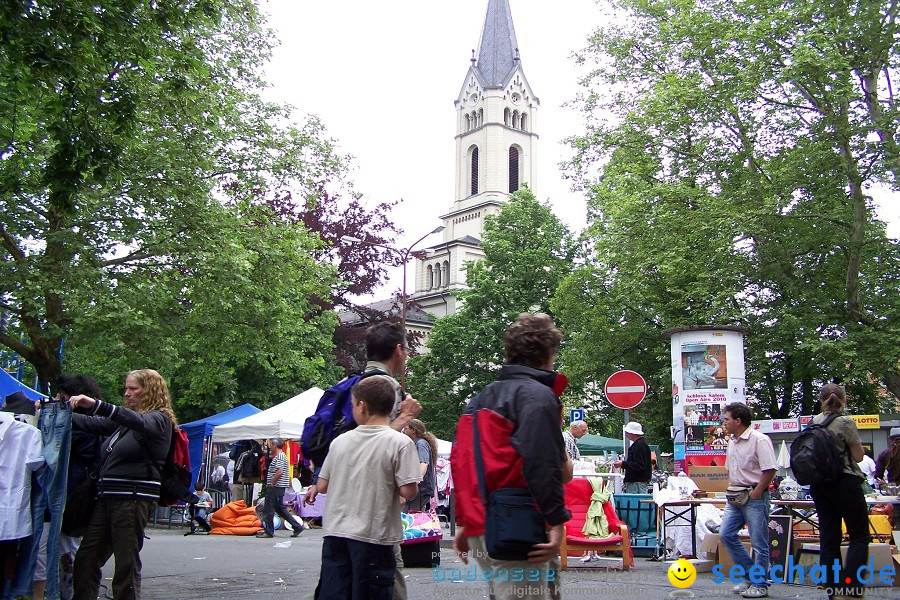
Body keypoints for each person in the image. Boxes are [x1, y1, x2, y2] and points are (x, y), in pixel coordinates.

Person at [452, 313, 573, 600]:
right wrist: (556, 523)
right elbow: (543, 464)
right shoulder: (536, 396)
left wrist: (465, 522)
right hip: (518, 522)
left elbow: (463, 461)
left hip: (482, 522)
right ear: (549, 352)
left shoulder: (480, 398)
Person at [303, 375, 421, 600]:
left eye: (353, 405)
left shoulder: (340, 442)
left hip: (336, 533)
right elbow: (409, 490)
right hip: (375, 536)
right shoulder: (400, 442)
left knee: (335, 592)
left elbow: (323, 485)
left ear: (362, 406)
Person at [68, 369, 176, 600]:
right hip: (108, 497)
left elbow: (131, 418)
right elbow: (92, 424)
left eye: (133, 389)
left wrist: (96, 404)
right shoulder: (125, 425)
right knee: (86, 558)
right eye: (126, 388)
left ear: (150, 391)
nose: (127, 394)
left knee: (125, 562)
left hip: (133, 500)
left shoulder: (158, 420)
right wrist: (57, 413)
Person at [33, 374, 103, 600]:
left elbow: (57, 450)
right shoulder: (91, 423)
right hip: (70, 498)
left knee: (57, 554)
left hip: (68, 497)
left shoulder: (82, 427)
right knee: (61, 552)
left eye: (60, 396)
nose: (55, 399)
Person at [808, 384, 868, 600]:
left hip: (820, 484)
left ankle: (833, 588)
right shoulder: (845, 422)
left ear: (820, 399)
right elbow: (859, 456)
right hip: (845, 482)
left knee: (829, 536)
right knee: (859, 536)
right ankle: (850, 589)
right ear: (843, 400)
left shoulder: (812, 422)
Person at [720, 402, 776, 599]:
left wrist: (758, 491)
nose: (723, 422)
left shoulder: (759, 440)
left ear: (738, 420)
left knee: (759, 542)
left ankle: (760, 584)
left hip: (754, 495)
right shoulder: (732, 442)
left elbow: (770, 468)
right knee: (726, 534)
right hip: (735, 495)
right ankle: (750, 575)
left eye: (726, 419)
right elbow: (732, 470)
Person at [257, 438, 307, 538]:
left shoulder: (279, 457)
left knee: (269, 508)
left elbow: (280, 471)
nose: (269, 446)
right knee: (280, 509)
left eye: (271, 444)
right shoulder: (282, 455)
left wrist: (272, 482)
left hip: (276, 487)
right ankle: (297, 526)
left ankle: (269, 531)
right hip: (279, 486)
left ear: (275, 445)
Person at [402, 419, 438, 511]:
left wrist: (416, 480)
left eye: (406, 428)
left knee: (410, 516)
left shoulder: (420, 444)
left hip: (420, 490)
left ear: (413, 430)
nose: (403, 430)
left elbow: (424, 464)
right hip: (419, 490)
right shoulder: (417, 443)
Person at [614, 421, 651, 494]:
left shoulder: (639, 446)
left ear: (632, 433)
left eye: (627, 432)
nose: (626, 434)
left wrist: (623, 464)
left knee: (635, 503)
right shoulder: (641, 445)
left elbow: (640, 465)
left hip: (636, 482)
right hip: (638, 482)